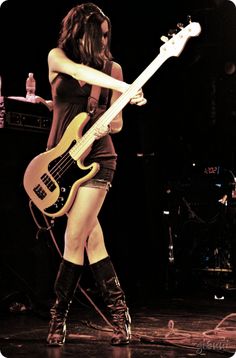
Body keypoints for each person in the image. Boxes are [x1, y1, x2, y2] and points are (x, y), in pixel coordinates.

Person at [45, 2, 147, 347]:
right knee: (92, 239)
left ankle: (57, 320)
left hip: (97, 161)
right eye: (99, 35)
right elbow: (81, 75)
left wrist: (108, 117)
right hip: (59, 163)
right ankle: (122, 317)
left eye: (108, 35)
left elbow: (116, 124)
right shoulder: (57, 58)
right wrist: (129, 88)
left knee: (74, 237)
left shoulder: (113, 69)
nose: (105, 41)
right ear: (82, 33)